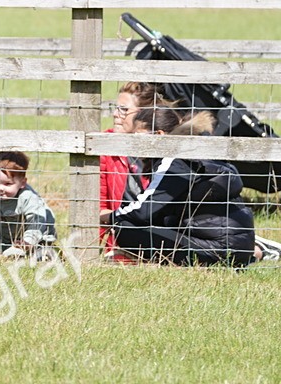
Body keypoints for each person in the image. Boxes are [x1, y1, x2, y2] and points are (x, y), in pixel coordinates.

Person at [104, 84, 256, 268]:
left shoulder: (174, 160)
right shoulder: (194, 150)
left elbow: (145, 210)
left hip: (217, 248)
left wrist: (109, 218)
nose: (136, 143)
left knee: (125, 230)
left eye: (139, 136)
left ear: (159, 135)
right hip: (233, 245)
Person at [0, 151, 57, 259]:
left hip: (37, 238)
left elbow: (37, 222)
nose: (0, 188)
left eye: (7, 184)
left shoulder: (28, 197)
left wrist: (28, 241)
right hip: (5, 238)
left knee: (18, 255)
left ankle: (45, 252)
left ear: (22, 183)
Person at [100, 83, 148, 255]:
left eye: (123, 109)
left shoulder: (160, 149)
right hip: (119, 245)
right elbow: (99, 205)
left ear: (143, 114)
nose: (115, 114)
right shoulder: (104, 145)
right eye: (115, 108)